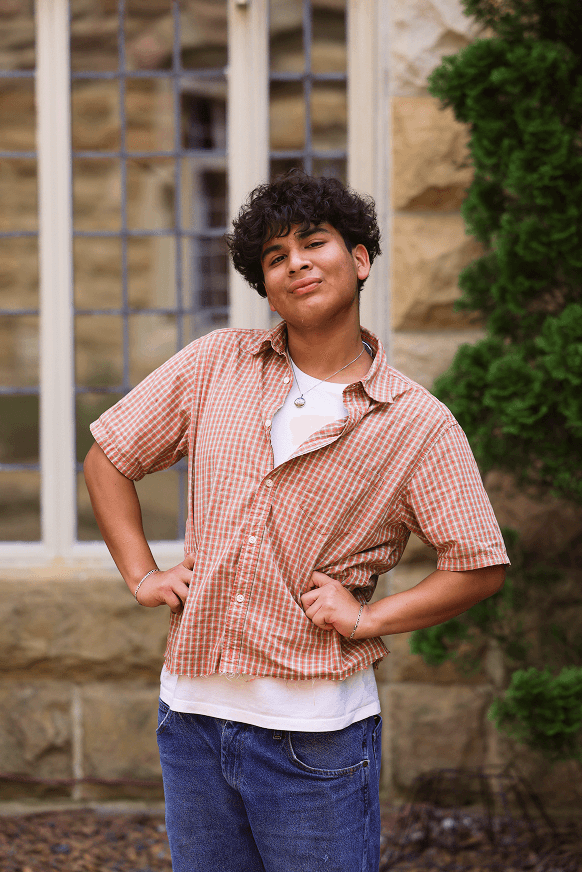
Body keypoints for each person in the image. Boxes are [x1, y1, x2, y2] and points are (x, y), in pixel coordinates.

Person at [84, 170, 508, 872]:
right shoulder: (215, 364)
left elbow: (478, 564)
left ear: (361, 258)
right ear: (266, 284)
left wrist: (369, 620)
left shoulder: (417, 423)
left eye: (314, 243)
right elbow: (109, 459)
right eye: (276, 257)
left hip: (314, 737)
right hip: (190, 717)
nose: (296, 263)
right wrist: (142, 573)